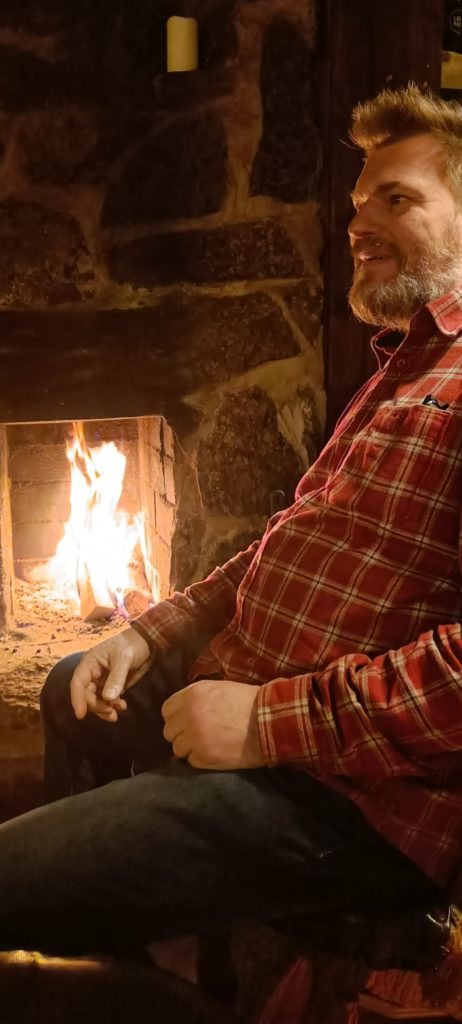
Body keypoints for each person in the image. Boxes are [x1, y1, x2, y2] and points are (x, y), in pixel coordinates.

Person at [0, 83, 461, 958]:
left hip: (348, 795)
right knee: (71, 688)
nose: (358, 224)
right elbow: (286, 539)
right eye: (358, 203)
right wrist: (148, 633)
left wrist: (263, 724)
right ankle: (110, 936)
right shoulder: (404, 365)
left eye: (397, 200)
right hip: (254, 698)